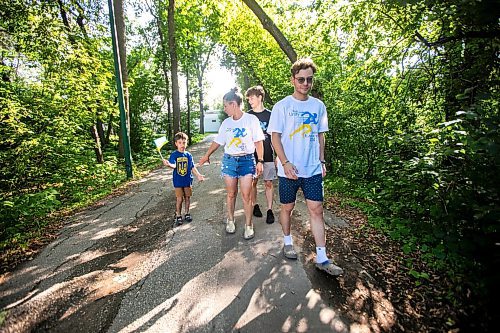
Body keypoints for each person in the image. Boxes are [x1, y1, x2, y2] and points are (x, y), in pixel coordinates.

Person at [267, 58, 343, 276]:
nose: (305, 83)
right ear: (293, 80)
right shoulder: (282, 106)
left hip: (311, 169)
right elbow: (275, 138)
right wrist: (285, 162)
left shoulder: (318, 106)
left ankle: (322, 258)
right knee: (287, 209)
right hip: (288, 171)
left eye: (309, 79)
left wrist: (321, 160)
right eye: (301, 79)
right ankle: (288, 241)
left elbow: (321, 136)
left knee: (316, 210)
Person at [199, 87, 265, 240]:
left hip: (247, 161)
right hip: (229, 161)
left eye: (225, 105)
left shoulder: (251, 120)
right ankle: (230, 219)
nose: (224, 108)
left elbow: (258, 142)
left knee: (246, 195)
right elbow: (218, 142)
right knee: (231, 193)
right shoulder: (226, 123)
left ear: (233, 104)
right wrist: (206, 155)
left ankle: (249, 225)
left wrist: (260, 161)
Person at [246, 85, 276, 224]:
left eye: (251, 98)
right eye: (248, 99)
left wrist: (277, 157)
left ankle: (270, 210)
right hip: (251, 155)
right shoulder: (247, 116)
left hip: (268, 154)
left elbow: (275, 137)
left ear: (260, 97)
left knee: (268, 183)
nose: (249, 101)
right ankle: (254, 205)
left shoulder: (270, 115)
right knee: (253, 182)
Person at [163, 132, 205, 226]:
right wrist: (169, 164)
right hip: (178, 181)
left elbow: (192, 167)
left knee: (187, 198)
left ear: (187, 143)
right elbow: (174, 165)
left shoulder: (188, 155)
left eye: (184, 142)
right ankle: (178, 215)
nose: (182, 145)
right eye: (180, 142)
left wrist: (198, 175)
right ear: (176, 143)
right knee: (179, 199)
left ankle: (187, 213)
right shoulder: (174, 155)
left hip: (187, 180)